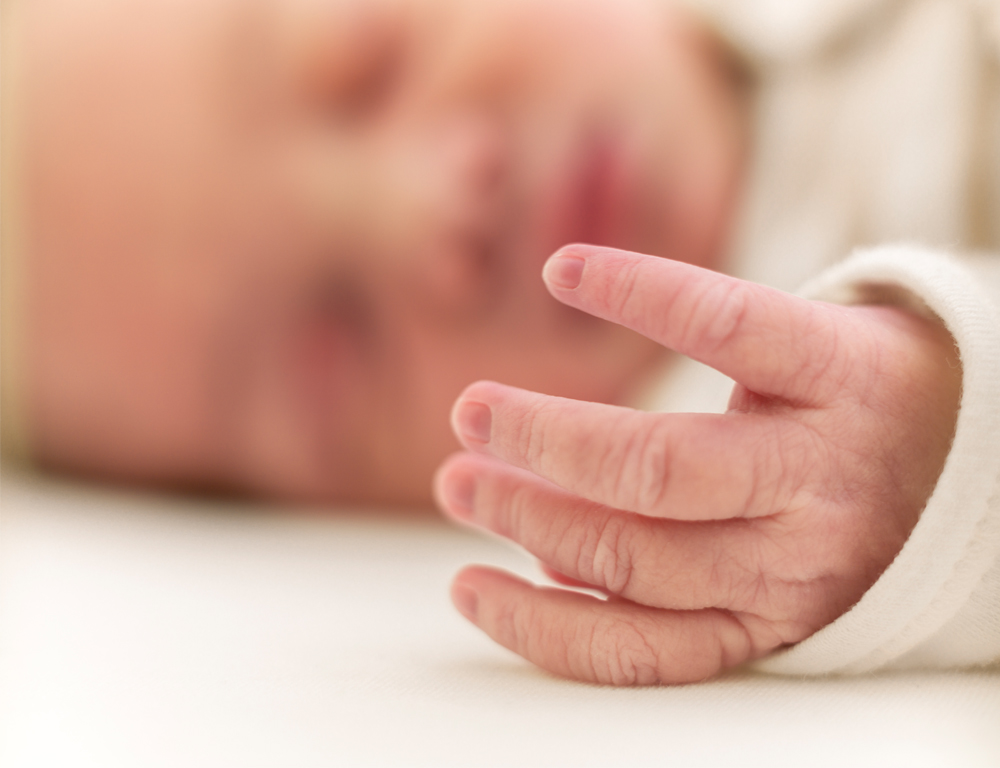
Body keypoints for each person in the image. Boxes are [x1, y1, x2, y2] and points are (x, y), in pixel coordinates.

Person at [2, 0, 998, 684]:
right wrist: (933, 470)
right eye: (334, 359)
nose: (423, 210)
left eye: (369, 57)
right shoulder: (742, 484)